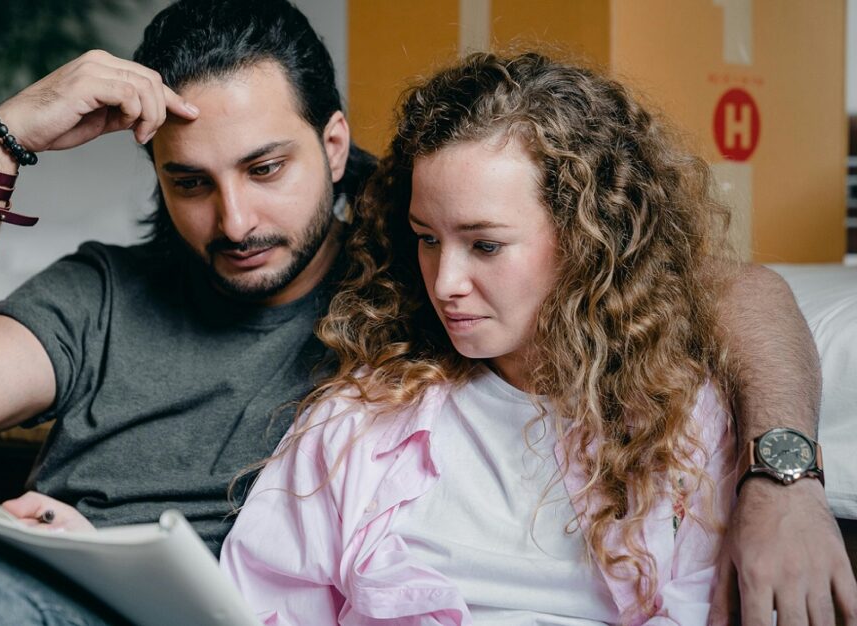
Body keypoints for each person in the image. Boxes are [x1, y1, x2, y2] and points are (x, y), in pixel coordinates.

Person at [0, 0, 846, 623]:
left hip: (251, 598)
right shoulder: (105, 289)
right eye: (189, 182)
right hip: (86, 592)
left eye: (265, 167)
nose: (234, 218)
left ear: (331, 144)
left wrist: (785, 473)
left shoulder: (412, 251)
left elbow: (721, 287)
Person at [220, 51, 853, 626]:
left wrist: (783, 483)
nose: (446, 282)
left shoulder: (688, 426)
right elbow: (260, 600)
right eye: (427, 238)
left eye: (486, 244)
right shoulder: (356, 424)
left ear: (589, 237)